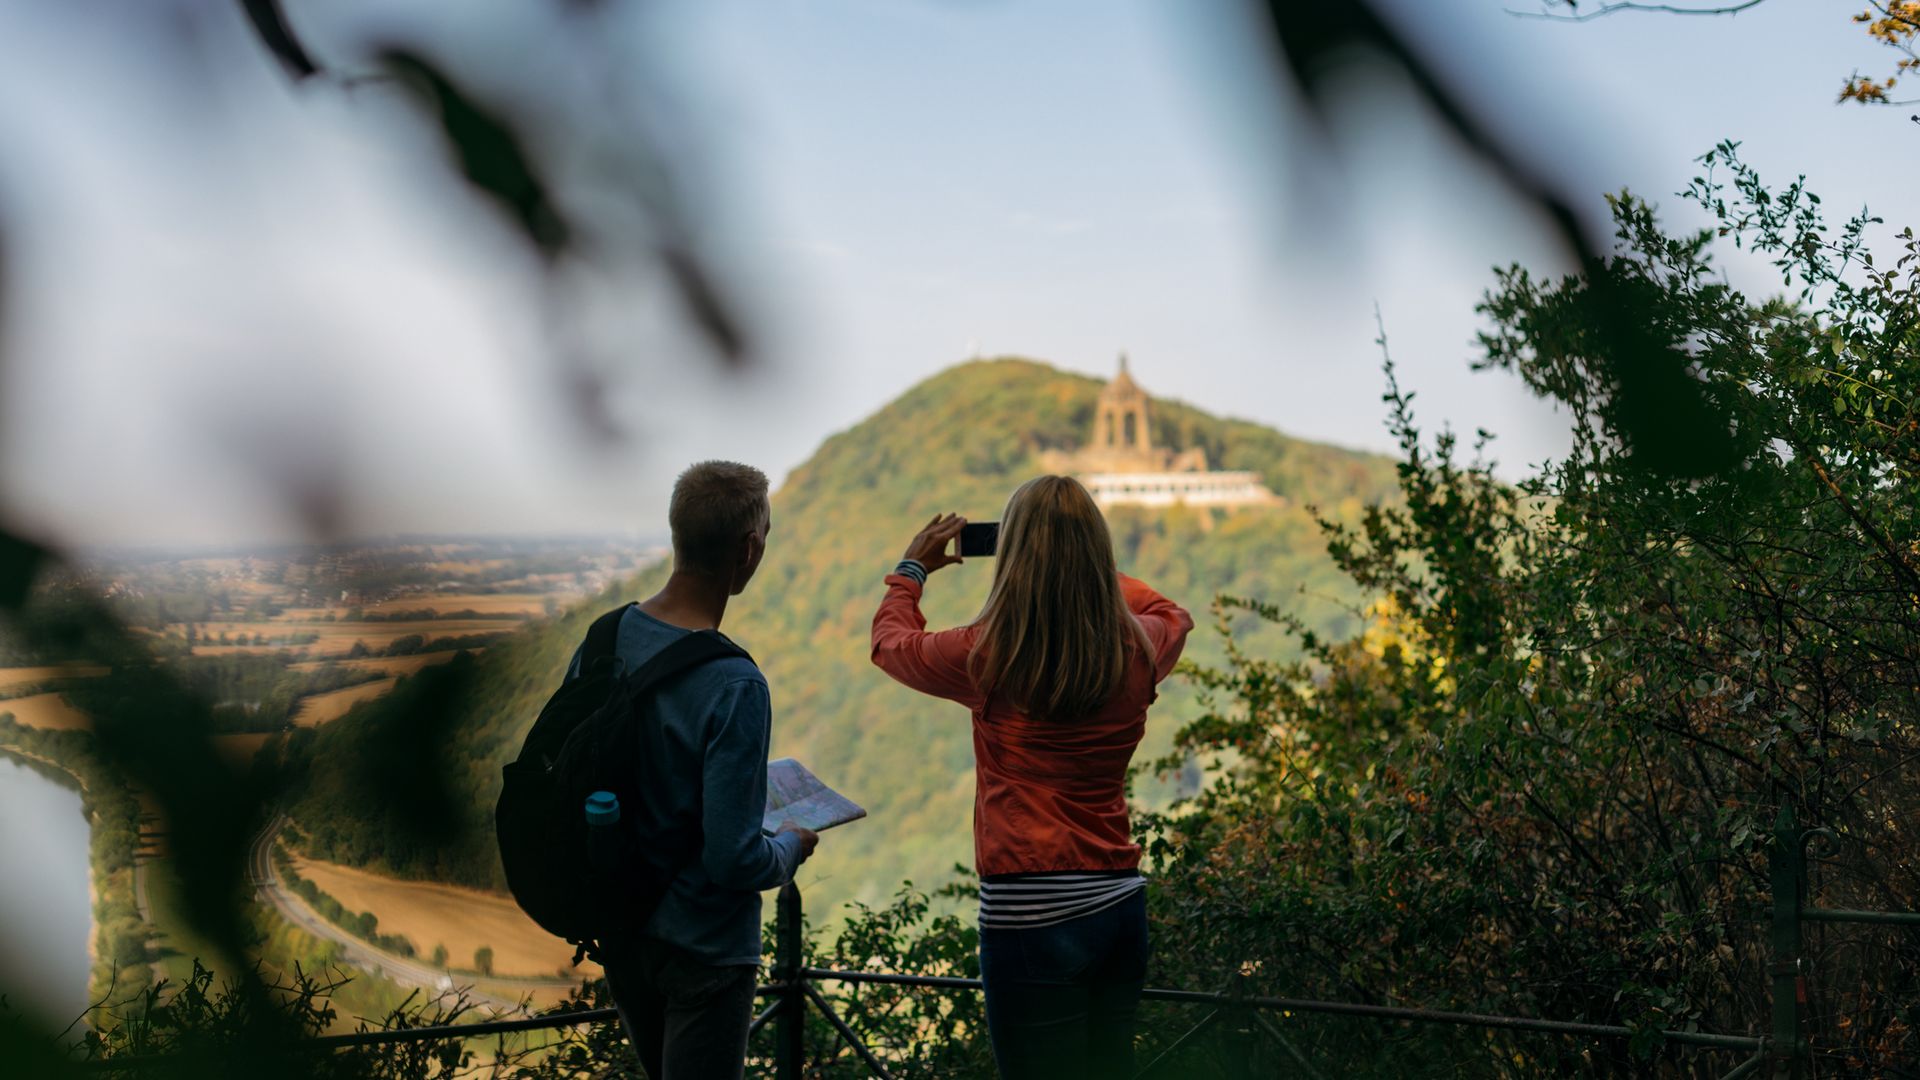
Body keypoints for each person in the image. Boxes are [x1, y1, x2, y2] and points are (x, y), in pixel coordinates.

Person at [869, 475, 1193, 1079]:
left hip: (1030, 911)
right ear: (1096, 551)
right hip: (1119, 902)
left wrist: (910, 570)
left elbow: (891, 644)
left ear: (1014, 557)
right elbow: (1171, 611)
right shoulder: (1142, 647)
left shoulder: (984, 655)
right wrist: (1083, 571)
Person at [565, 460, 818, 1080]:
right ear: (750, 549)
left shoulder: (603, 639)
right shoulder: (735, 684)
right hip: (704, 949)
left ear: (677, 532)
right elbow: (732, 859)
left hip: (624, 927)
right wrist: (789, 847)